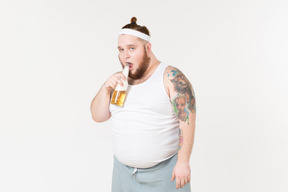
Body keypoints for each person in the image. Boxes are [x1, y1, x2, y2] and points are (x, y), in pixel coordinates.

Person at [90, 17, 196, 192]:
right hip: (123, 174)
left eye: (132, 48)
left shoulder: (171, 78)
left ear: (148, 48)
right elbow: (98, 116)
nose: (126, 55)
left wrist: (183, 162)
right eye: (121, 50)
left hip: (164, 174)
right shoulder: (118, 81)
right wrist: (105, 88)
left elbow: (187, 122)